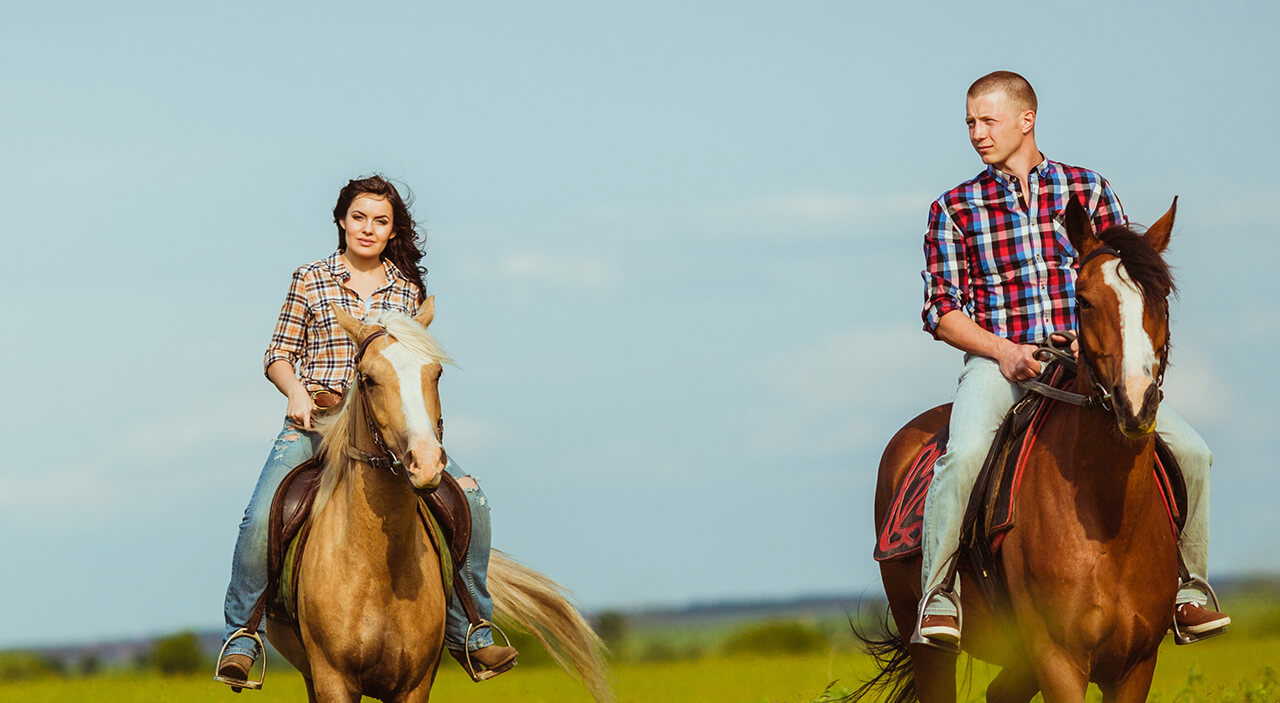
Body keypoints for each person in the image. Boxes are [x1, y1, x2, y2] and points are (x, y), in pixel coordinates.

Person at [915, 71, 1231, 648]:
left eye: (987, 120)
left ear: (1026, 120)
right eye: (969, 123)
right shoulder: (954, 208)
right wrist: (1003, 352)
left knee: (1193, 451)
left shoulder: (1089, 188)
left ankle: (1191, 589)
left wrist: (1114, 350)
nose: (976, 133)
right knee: (961, 457)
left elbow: (1127, 280)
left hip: (1087, 363)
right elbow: (941, 310)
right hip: (1002, 362)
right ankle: (939, 595)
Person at [216, 175, 518, 686]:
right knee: (261, 515)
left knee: (473, 501)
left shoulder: (406, 291)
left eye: (380, 221)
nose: (368, 228)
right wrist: (295, 391)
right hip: (317, 421)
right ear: (341, 220)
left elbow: (413, 367)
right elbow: (278, 355)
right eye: (359, 217)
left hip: (387, 430)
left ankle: (472, 630)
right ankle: (243, 633)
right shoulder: (310, 278)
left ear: (391, 229)